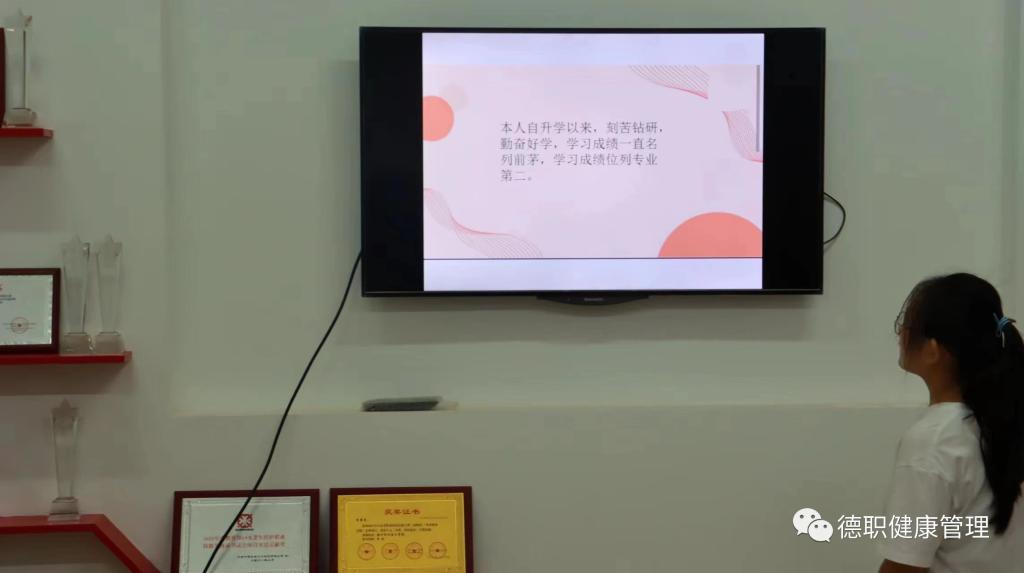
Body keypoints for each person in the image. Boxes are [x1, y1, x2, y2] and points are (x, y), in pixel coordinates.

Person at [878, 273, 1024, 572]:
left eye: (905, 325)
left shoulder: (932, 441)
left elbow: (904, 566)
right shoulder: (998, 423)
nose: (900, 335)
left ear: (933, 350)